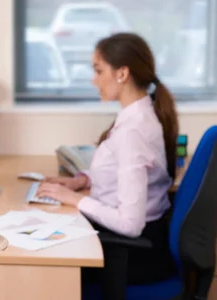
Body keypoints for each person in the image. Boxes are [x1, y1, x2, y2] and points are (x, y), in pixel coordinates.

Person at [37, 32, 178, 299]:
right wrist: (83, 181)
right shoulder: (138, 114)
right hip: (140, 243)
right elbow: (124, 167)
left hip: (132, 253)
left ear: (122, 73)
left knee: (46, 259)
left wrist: (74, 199)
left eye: (99, 70)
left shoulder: (133, 131)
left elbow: (130, 224)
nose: (94, 79)